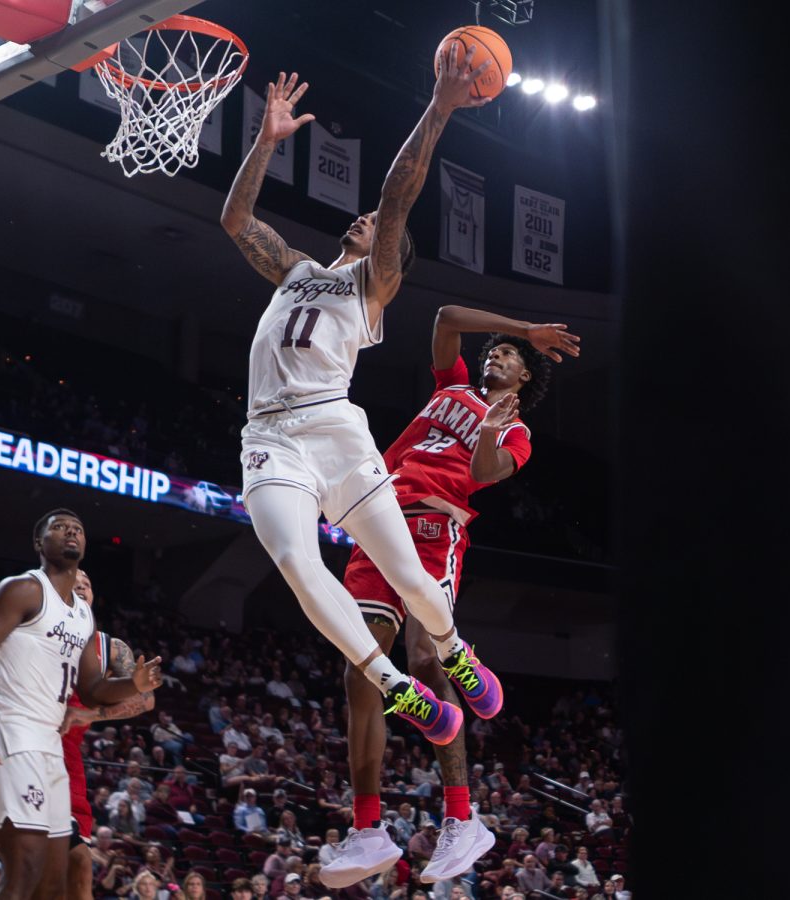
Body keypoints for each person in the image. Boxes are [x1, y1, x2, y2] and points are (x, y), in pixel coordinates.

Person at [221, 53, 507, 748]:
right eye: (365, 215)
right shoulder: (297, 269)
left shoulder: (371, 288)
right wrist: (263, 144)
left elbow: (400, 196)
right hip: (268, 435)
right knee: (295, 560)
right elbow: (236, 219)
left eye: (377, 223)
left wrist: (439, 106)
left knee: (409, 577)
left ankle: (452, 649)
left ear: (391, 258)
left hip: (333, 427)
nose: (365, 216)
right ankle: (395, 687)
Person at [323, 300, 578, 888]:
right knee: (358, 673)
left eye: (511, 355)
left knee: (421, 660)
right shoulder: (451, 383)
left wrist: (488, 431)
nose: (498, 353)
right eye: (497, 348)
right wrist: (521, 327)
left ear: (525, 380)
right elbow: (441, 317)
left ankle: (463, 818)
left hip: (433, 530)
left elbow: (486, 474)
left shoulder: (516, 432)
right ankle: (368, 829)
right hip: (377, 517)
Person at [0, 509, 163, 900]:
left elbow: (95, 688)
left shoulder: (83, 615)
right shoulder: (23, 590)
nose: (71, 532)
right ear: (39, 543)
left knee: (53, 880)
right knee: (25, 868)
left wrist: (132, 683)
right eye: (60, 527)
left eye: (78, 529)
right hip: (11, 730)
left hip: (49, 742)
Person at [58, 569, 157, 900]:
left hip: (67, 753)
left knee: (80, 862)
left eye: (86, 584)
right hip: (25, 740)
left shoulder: (110, 647)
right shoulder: (41, 631)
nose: (81, 587)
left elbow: (145, 699)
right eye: (73, 584)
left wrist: (92, 713)